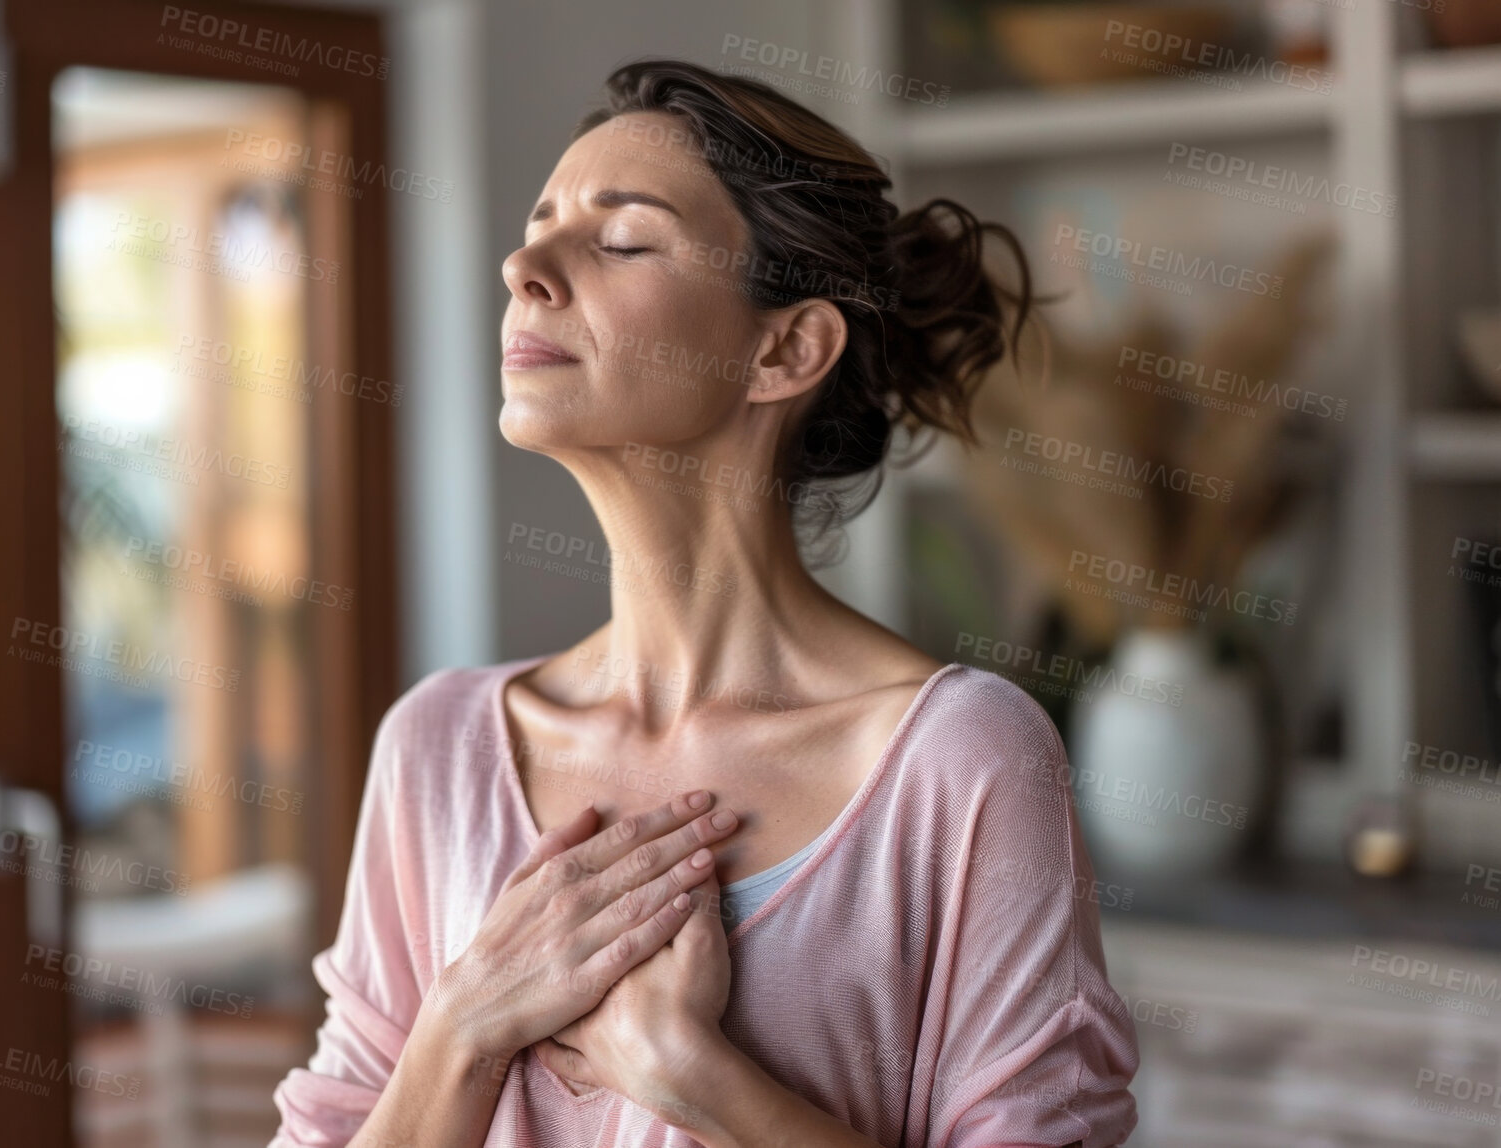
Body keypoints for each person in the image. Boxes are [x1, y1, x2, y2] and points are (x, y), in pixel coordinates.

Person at [270, 58, 1138, 1148]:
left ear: (783, 348)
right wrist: (464, 1021)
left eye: (622, 239)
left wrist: (691, 1074)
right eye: (535, 227)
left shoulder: (960, 759)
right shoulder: (436, 745)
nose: (522, 265)